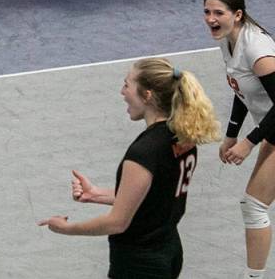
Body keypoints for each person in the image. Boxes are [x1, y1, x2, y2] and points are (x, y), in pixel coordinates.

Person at [39, 57, 219, 278]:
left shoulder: (144, 152)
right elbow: (155, 196)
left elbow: (117, 222)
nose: (122, 92)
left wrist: (66, 228)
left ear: (147, 95)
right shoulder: (183, 138)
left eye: (127, 85)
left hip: (138, 264)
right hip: (168, 250)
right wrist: (96, 194)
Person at [204, 0, 275, 279]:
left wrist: (248, 142)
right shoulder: (227, 39)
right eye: (207, 12)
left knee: (255, 204)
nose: (210, 18)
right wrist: (232, 134)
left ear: (238, 15)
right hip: (272, 131)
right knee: (254, 204)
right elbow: (242, 90)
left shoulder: (258, 51)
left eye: (218, 12)